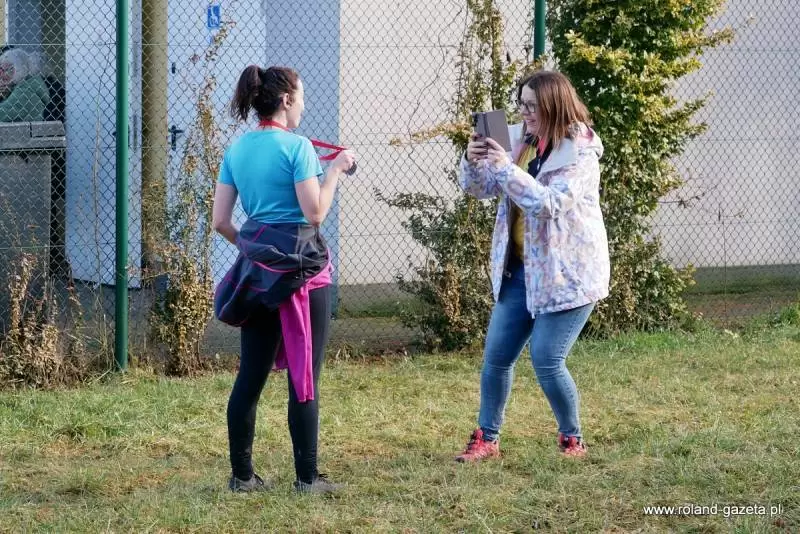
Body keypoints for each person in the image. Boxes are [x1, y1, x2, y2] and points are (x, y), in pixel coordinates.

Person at [211, 65, 356, 493]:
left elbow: (221, 222)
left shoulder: (237, 150)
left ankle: (242, 477)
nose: (304, 106)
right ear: (287, 99)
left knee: (249, 377)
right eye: (302, 97)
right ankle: (307, 479)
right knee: (304, 376)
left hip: (258, 277)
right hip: (305, 274)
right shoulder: (298, 148)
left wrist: (257, 250)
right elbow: (315, 212)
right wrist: (336, 170)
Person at [455, 70, 610, 462]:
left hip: (568, 275)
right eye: (521, 104)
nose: (523, 113)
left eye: (532, 106)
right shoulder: (520, 140)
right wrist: (473, 160)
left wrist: (505, 167)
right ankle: (487, 439)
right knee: (496, 358)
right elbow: (479, 189)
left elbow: (548, 205)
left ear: (554, 107)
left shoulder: (581, 153)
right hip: (520, 271)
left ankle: (572, 438)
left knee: (547, 359)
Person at [0, 48, 50, 122]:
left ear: (19, 69)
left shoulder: (25, 92)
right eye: (1, 69)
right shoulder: (24, 87)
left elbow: (3, 114)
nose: (2, 74)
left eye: (7, 70)